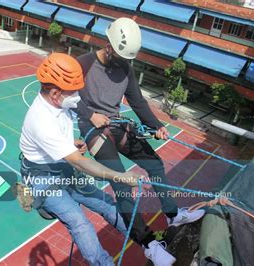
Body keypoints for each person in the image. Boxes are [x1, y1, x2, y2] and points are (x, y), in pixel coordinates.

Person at [74, 18, 205, 265]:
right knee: (123, 184)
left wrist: (158, 126)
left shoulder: (125, 67)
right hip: (93, 130)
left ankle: (173, 215)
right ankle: (148, 244)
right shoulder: (85, 64)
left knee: (154, 164)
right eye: (121, 55)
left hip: (115, 124)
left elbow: (137, 101)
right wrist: (90, 114)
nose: (124, 61)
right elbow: (67, 95)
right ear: (109, 44)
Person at [19, 53, 150, 266]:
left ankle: (146, 242)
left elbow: (63, 142)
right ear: (55, 93)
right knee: (79, 222)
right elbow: (80, 162)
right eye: (74, 91)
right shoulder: (41, 121)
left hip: (61, 168)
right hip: (43, 179)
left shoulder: (58, 104)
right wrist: (120, 176)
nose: (78, 96)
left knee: (107, 204)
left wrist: (70, 144)